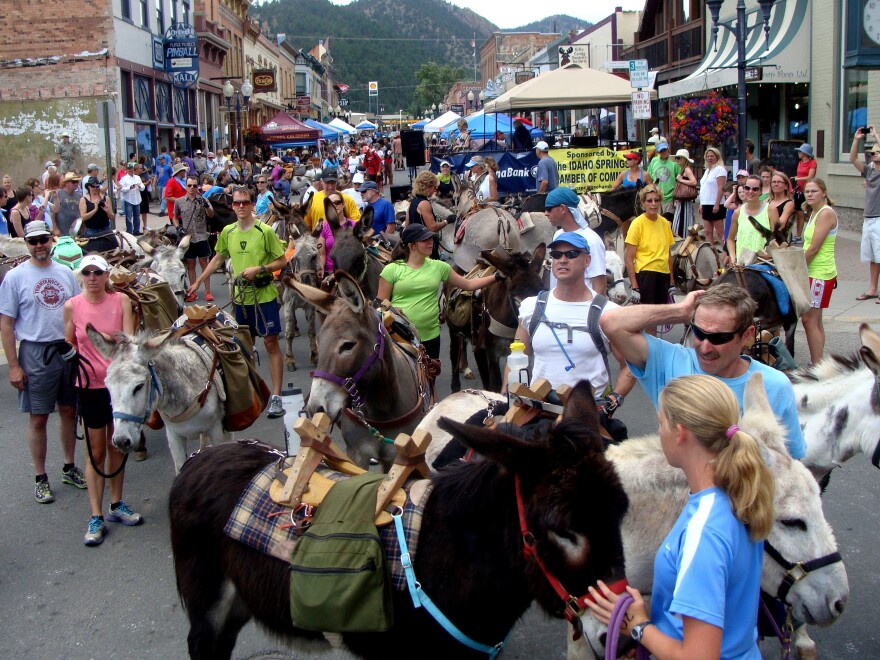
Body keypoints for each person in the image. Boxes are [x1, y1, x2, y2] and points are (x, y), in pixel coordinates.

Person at [587, 373, 773, 660]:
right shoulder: (735, 496)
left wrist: (638, 627)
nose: (659, 432)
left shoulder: (704, 531)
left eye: (661, 423)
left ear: (680, 433)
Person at [599, 283, 806, 458]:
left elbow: (791, 461)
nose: (705, 347)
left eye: (718, 338)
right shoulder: (670, 361)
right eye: (699, 332)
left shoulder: (775, 385)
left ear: (746, 335)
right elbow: (611, 323)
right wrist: (679, 311)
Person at [0, 220, 85, 504]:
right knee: (38, 416)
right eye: (33, 241)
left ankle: (69, 466)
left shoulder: (65, 273)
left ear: (51, 240)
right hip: (35, 352)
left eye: (43, 240)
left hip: (66, 350)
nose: (39, 246)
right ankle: (40, 477)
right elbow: (7, 324)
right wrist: (14, 365)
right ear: (27, 243)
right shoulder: (15, 277)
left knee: (69, 411)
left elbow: (77, 314)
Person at [187, 186, 289, 417]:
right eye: (236, 203)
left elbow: (282, 261)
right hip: (241, 298)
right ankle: (252, 392)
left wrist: (260, 268)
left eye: (245, 202)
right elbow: (217, 259)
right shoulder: (228, 232)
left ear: (253, 205)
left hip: (264, 295)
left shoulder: (265, 232)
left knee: (271, 344)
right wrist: (197, 283)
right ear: (232, 206)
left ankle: (276, 395)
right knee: (245, 346)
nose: (241, 206)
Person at [62, 254, 141, 545]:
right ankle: (95, 515)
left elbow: (130, 342)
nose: (93, 278)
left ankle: (117, 504)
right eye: (87, 273)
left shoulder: (121, 301)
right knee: (96, 453)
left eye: (98, 272)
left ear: (107, 275)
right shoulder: (72, 306)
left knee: (117, 445)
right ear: (81, 276)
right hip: (91, 386)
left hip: (117, 387)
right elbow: (69, 341)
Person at [514, 231, 635, 405]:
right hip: (538, 415)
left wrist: (613, 400)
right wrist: (507, 396)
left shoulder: (608, 312)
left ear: (587, 261)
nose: (563, 260)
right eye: (556, 254)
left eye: (571, 254)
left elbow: (629, 365)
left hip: (586, 417)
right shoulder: (531, 307)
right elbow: (516, 359)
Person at [377, 224, 499, 359]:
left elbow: (469, 284)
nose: (430, 242)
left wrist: (496, 277)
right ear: (411, 246)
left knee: (430, 377)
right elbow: (382, 305)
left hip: (431, 335)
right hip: (400, 336)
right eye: (424, 240)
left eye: (431, 239)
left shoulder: (440, 267)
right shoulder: (392, 269)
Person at [624, 185, 675, 324]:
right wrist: (634, 286)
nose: (653, 204)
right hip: (646, 274)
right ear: (643, 203)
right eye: (650, 201)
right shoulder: (637, 224)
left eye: (656, 200)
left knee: (659, 318)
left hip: (663, 274)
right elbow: (629, 257)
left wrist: (672, 281)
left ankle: (652, 344)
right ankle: (646, 345)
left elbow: (668, 254)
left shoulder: (665, 223)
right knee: (648, 318)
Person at [801, 179, 838, 364]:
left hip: (820, 273)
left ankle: (817, 365)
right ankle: (818, 362)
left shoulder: (825, 213)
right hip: (813, 272)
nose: (809, 194)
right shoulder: (814, 212)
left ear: (823, 193)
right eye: (807, 191)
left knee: (809, 320)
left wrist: (797, 267)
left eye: (814, 191)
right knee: (815, 320)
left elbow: (814, 248)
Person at [544, 186, 607, 294]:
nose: (545, 213)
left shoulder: (592, 240)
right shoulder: (557, 235)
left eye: (549, 209)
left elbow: (599, 285)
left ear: (563, 209)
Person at [849, 127, 880, 301]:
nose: (873, 155)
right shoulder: (869, 171)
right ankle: (873, 288)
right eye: (872, 153)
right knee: (873, 256)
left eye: (876, 152)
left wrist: (876, 135)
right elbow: (853, 159)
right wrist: (856, 140)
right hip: (869, 217)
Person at [174, 175, 215, 302]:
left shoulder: (203, 199)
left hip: (202, 236)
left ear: (198, 187)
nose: (192, 188)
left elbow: (211, 214)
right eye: (189, 185)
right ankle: (193, 291)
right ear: (186, 186)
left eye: (194, 186)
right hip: (188, 238)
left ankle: (208, 290)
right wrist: (178, 228)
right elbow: (175, 217)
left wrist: (206, 205)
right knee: (191, 265)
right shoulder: (179, 201)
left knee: (205, 264)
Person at [726, 174, 780, 264]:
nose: (750, 191)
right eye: (747, 188)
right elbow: (730, 239)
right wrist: (733, 258)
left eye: (755, 189)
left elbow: (776, 240)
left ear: (760, 191)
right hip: (742, 263)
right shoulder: (737, 212)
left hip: (763, 264)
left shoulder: (770, 210)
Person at [408, 171, 451, 259]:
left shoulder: (413, 202)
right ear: (428, 186)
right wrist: (447, 221)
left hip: (415, 245)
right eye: (434, 187)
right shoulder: (424, 203)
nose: (435, 190)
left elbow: (407, 224)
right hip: (425, 245)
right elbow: (432, 227)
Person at [317, 193, 357, 280]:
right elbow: (322, 254)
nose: (334, 205)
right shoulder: (324, 226)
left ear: (343, 204)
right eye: (331, 204)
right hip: (329, 271)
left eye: (337, 202)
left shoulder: (353, 225)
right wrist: (321, 269)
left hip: (349, 272)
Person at [698, 146, 727, 245]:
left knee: (719, 232)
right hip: (706, 203)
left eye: (712, 156)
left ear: (717, 157)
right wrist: (701, 204)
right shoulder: (707, 170)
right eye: (708, 156)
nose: (710, 158)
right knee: (707, 231)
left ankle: (727, 251)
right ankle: (712, 252)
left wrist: (717, 204)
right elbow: (704, 188)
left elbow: (721, 187)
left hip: (715, 204)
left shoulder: (720, 169)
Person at [792, 143, 817, 243]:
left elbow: (810, 177)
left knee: (811, 213)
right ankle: (798, 236)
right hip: (799, 190)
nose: (798, 153)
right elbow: (798, 175)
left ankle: (813, 235)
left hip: (808, 190)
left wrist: (797, 178)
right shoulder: (800, 162)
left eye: (800, 151)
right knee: (799, 214)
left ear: (805, 153)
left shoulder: (812, 163)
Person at [647, 143, 680, 216]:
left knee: (668, 222)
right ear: (658, 152)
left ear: (668, 149)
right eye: (661, 151)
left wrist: (676, 198)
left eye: (665, 150)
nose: (664, 152)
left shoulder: (674, 161)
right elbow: (648, 176)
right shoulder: (654, 161)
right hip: (656, 198)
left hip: (669, 198)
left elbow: (679, 180)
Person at [671, 149, 698, 238]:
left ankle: (683, 237)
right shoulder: (683, 169)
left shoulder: (687, 169)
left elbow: (694, 182)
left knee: (682, 219)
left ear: (684, 159)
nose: (677, 160)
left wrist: (680, 180)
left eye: (678, 158)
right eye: (676, 158)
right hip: (683, 199)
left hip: (685, 200)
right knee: (681, 219)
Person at [51, 171, 83, 237]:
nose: (76, 184)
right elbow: (52, 213)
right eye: (73, 182)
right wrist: (55, 228)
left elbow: (81, 214)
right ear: (67, 183)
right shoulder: (57, 194)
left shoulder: (79, 196)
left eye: (77, 182)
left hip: (75, 231)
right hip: (61, 232)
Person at [119, 162, 144, 235]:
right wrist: (129, 188)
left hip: (137, 199)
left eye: (132, 170)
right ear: (127, 170)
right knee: (129, 216)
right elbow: (121, 189)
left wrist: (140, 186)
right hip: (129, 199)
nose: (131, 172)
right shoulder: (124, 179)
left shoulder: (137, 177)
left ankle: (136, 230)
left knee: (137, 216)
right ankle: (129, 231)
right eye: (129, 170)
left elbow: (142, 187)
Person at [769, 170, 796, 237]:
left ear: (786, 186)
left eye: (779, 182)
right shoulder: (768, 201)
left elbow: (780, 225)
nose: (776, 184)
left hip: (779, 238)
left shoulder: (789, 203)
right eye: (774, 182)